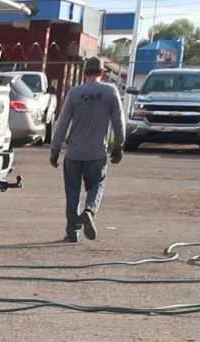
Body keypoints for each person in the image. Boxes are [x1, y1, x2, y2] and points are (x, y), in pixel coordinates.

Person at [49, 56, 124, 242]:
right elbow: (118, 121)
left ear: (84, 73)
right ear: (102, 73)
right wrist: (119, 145)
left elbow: (62, 122)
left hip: (74, 152)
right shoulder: (110, 92)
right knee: (96, 185)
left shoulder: (74, 93)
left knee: (72, 191)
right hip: (97, 152)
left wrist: (55, 148)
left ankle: (72, 232)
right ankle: (90, 209)